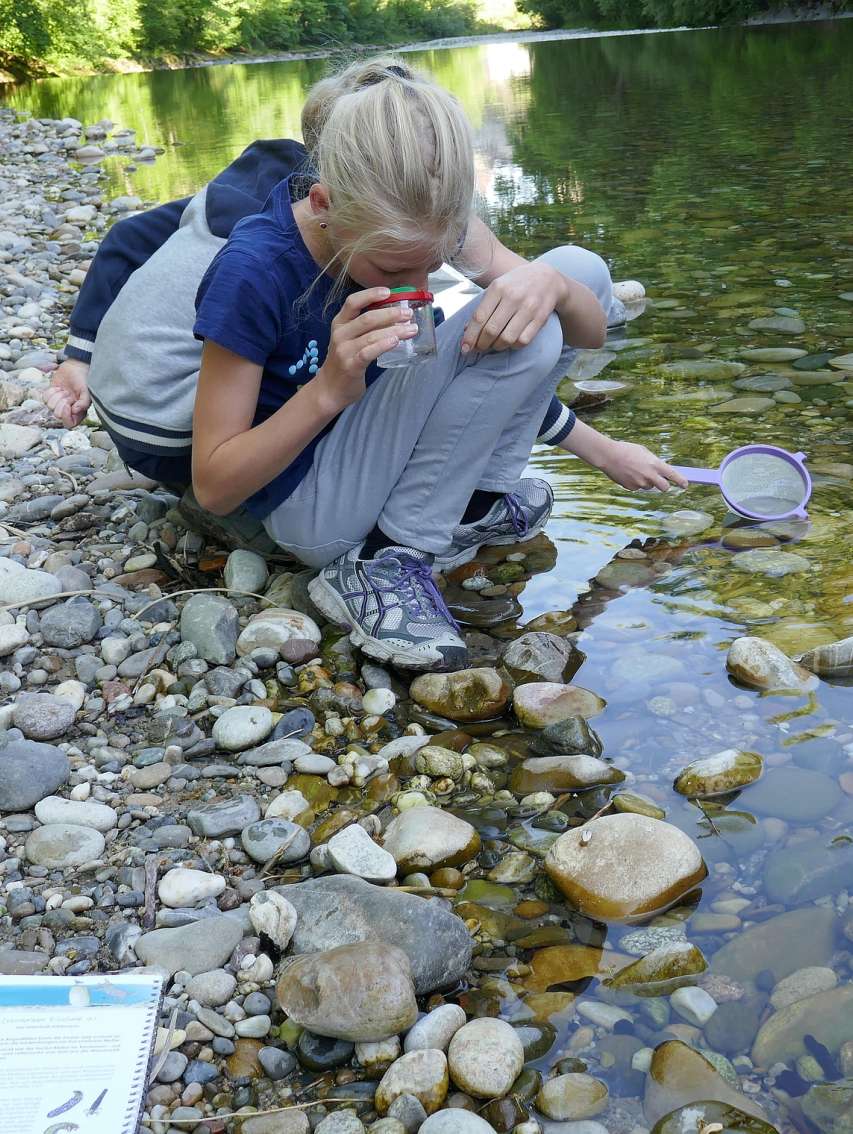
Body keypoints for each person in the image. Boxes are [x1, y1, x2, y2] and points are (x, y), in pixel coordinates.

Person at [47, 56, 686, 672]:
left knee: (576, 271)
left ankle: (472, 504)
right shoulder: (254, 271)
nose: (420, 283)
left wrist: (557, 295)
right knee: (528, 331)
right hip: (310, 509)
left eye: (435, 261)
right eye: (394, 269)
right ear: (323, 205)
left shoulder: (412, 225)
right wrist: (330, 388)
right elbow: (214, 485)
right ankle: (385, 562)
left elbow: (586, 331)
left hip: (346, 445)